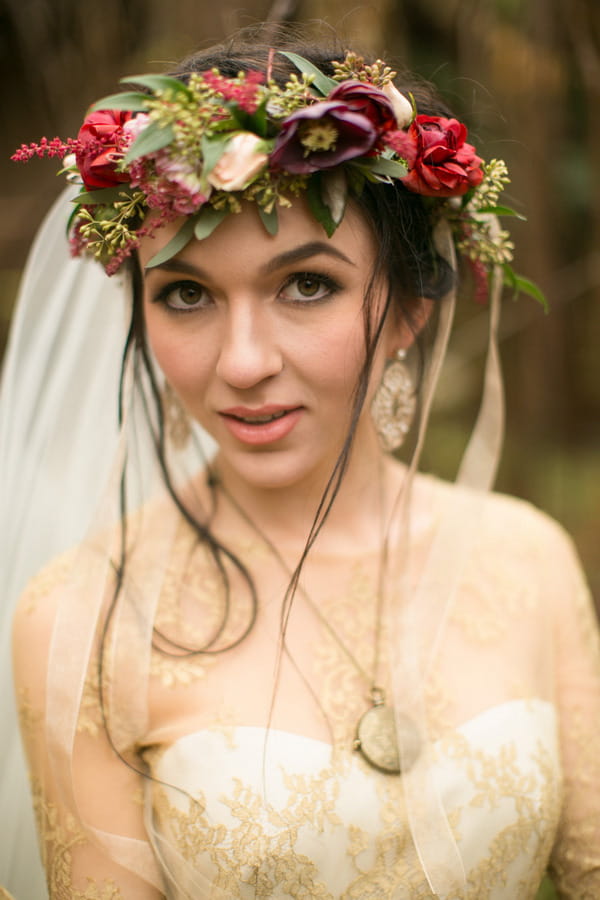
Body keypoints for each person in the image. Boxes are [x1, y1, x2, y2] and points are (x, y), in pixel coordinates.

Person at [4, 29, 600, 899]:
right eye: (187, 294)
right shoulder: (79, 619)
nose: (242, 362)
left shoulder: (527, 557)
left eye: (306, 284)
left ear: (407, 310)